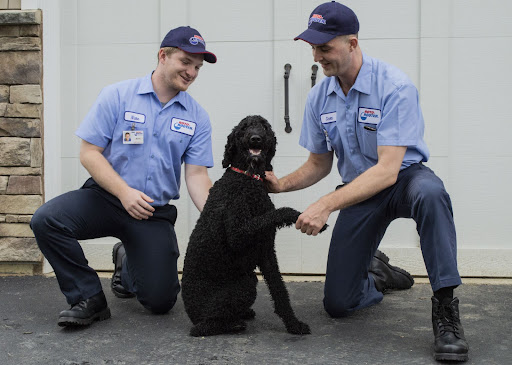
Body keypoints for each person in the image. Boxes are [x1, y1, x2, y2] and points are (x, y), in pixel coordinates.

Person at [265, 2, 468, 362]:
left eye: (324, 48)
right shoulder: (319, 97)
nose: (317, 56)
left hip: (405, 179)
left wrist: (325, 204)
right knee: (338, 304)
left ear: (352, 44)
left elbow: (389, 171)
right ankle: (376, 274)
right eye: (313, 47)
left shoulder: (394, 87)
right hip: (359, 189)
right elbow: (318, 164)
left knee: (432, 193)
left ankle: (445, 308)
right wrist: (280, 185)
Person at [30, 26, 217, 327]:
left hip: (151, 213)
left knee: (160, 303)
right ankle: (88, 297)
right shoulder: (117, 96)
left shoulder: (196, 116)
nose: (192, 72)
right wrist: (124, 192)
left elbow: (196, 176)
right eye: (186, 62)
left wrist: (216, 218)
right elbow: (89, 152)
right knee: (46, 220)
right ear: (163, 56)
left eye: (197, 67)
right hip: (105, 197)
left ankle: (127, 259)